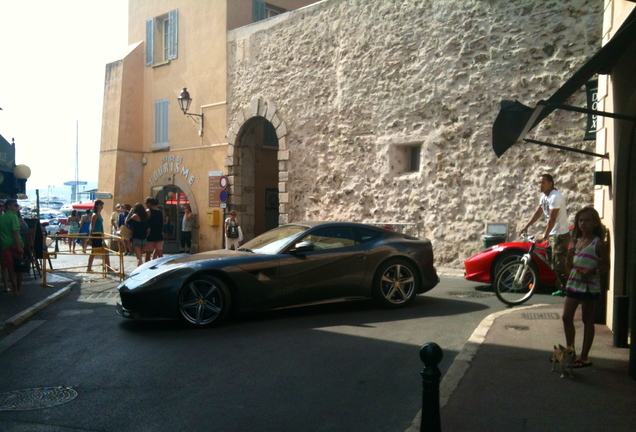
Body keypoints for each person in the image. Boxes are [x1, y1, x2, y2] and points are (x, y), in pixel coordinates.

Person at [562, 206, 609, 369]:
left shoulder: (598, 243)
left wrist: (593, 270)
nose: (583, 223)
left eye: (587, 220)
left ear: (595, 223)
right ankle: (570, 351)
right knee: (566, 317)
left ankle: (584, 356)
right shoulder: (575, 242)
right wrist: (568, 259)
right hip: (574, 283)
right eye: (580, 220)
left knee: (587, 319)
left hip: (589, 286)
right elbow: (569, 268)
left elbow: (606, 266)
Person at [519, 173, 570, 296]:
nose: (540, 185)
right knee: (552, 264)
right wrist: (526, 226)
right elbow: (538, 213)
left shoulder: (555, 197)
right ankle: (564, 287)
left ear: (550, 184)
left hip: (560, 234)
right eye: (539, 183)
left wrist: (545, 236)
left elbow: (552, 218)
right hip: (552, 234)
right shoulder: (544, 197)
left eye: (543, 183)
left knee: (559, 265)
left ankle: (571, 288)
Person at [0, 199, 25, 295]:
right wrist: (19, 247)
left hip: (5, 245)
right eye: (15, 205)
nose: (17, 207)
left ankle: (14, 288)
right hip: (15, 245)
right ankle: (18, 288)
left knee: (10, 267)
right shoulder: (14, 217)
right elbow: (15, 232)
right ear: (9, 207)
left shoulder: (1, 218)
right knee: (19, 266)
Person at [87, 200, 110, 272]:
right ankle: (89, 268)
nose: (102, 207)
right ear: (97, 205)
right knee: (94, 252)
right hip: (96, 235)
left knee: (105, 250)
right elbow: (92, 227)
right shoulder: (95, 215)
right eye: (100, 205)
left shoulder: (99, 214)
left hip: (100, 235)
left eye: (102, 205)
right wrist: (90, 238)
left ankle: (108, 267)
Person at [126, 203, 149, 267]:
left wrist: (130, 213)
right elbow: (148, 229)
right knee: (140, 256)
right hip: (144, 237)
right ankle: (138, 267)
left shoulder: (134, 216)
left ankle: (140, 268)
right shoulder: (145, 216)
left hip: (136, 237)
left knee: (139, 258)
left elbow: (126, 222)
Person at [144, 197, 164, 262]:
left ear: (150, 203)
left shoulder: (148, 211)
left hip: (150, 235)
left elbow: (145, 221)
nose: (145, 204)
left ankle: (146, 268)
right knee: (160, 254)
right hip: (159, 234)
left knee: (147, 255)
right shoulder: (160, 212)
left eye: (146, 203)